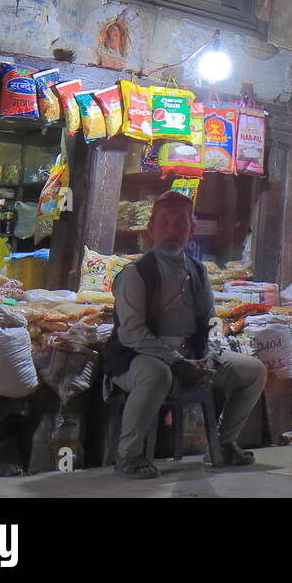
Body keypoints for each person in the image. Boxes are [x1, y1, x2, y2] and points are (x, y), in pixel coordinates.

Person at [104, 191, 267, 479]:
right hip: (137, 357)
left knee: (253, 370)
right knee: (157, 374)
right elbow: (132, 333)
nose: (172, 230)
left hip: (191, 356)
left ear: (191, 229)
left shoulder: (198, 271)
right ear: (151, 228)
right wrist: (176, 361)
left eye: (180, 223)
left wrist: (210, 355)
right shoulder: (135, 274)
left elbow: (210, 321)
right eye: (164, 223)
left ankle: (225, 443)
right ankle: (129, 456)